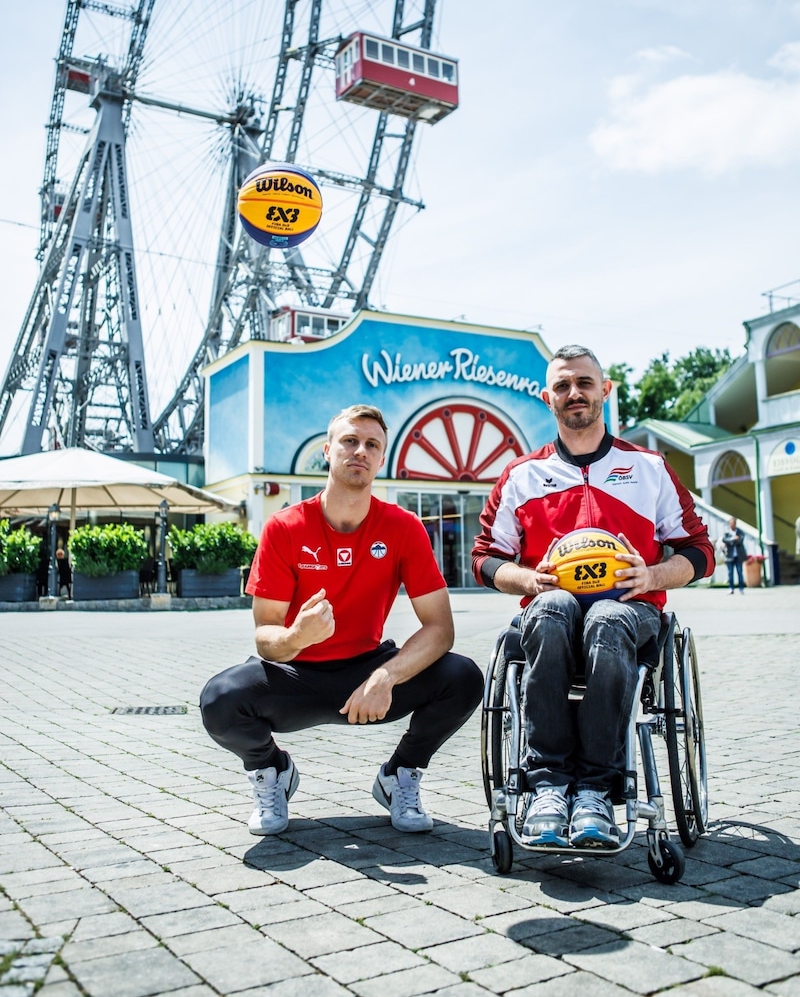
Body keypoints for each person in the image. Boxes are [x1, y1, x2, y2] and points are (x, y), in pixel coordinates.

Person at [472, 345, 714, 850]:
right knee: (554, 607)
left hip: (630, 611)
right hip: (548, 616)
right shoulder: (521, 476)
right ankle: (547, 787)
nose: (573, 393)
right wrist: (526, 581)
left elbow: (698, 550)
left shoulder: (648, 468)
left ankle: (598, 791)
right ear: (547, 398)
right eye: (562, 385)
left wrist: (652, 575)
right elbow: (485, 558)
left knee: (607, 614)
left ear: (605, 390)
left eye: (584, 382)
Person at [200, 404, 483, 837]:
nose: (360, 451)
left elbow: (440, 629)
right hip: (295, 674)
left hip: (367, 672)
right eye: (350, 441)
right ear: (328, 451)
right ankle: (272, 770)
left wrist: (386, 676)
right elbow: (265, 636)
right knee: (220, 699)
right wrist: (297, 635)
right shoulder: (285, 526)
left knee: (462, 677)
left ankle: (400, 775)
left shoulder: (404, 527)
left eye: (372, 445)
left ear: (381, 459)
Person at [721, 518, 746, 594]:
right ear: (729, 524)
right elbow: (724, 540)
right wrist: (733, 538)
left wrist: (732, 540)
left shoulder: (740, 532)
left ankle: (741, 588)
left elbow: (740, 540)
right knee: (730, 573)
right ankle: (731, 588)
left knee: (739, 572)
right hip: (729, 555)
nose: (732, 525)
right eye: (731, 523)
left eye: (734, 523)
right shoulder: (727, 532)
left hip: (738, 556)